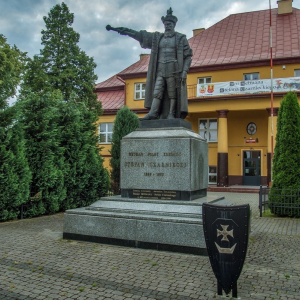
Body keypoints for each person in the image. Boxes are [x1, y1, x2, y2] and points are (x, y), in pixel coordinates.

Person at [106, 8, 193, 120]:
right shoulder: (157, 38)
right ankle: (153, 112)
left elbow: (188, 56)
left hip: (174, 69)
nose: (168, 26)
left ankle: (171, 114)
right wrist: (121, 30)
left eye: (170, 24)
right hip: (160, 69)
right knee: (157, 92)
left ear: (174, 25)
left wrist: (184, 71)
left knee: (172, 93)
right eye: (166, 24)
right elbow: (140, 35)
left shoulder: (180, 38)